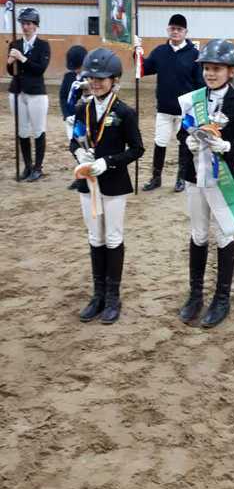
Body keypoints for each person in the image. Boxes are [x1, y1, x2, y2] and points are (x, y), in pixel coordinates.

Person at [177, 39, 234, 329]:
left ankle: (222, 298)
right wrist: (187, 141)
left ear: (231, 71)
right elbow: (182, 132)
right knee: (198, 234)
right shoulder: (193, 99)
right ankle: (195, 294)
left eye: (217, 69)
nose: (210, 73)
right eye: (207, 68)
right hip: (194, 176)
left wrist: (227, 147)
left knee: (224, 235)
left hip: (223, 179)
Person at [70, 48, 144, 324]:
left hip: (113, 183)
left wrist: (109, 162)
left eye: (101, 78)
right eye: (92, 78)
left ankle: (113, 296)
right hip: (87, 181)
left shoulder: (124, 112)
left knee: (112, 237)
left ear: (114, 80)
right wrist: (79, 153)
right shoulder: (83, 108)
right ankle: (98, 294)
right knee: (94, 237)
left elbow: (137, 149)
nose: (96, 83)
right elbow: (74, 139)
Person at [139, 14, 203, 193]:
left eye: (179, 29)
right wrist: (137, 53)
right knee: (160, 142)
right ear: (168, 30)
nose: (175, 32)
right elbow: (144, 69)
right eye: (172, 28)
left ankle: (181, 178)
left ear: (185, 32)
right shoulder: (160, 51)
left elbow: (199, 83)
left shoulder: (195, 55)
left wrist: (198, 107)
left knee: (184, 144)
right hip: (164, 108)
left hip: (185, 111)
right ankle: (156, 177)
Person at [7, 7, 50, 182]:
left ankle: (38, 167)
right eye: (23, 23)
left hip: (36, 93)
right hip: (17, 91)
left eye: (29, 24)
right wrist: (10, 62)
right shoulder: (15, 45)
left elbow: (40, 69)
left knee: (38, 129)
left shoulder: (43, 46)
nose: (25, 27)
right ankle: (27, 166)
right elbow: (11, 71)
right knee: (22, 130)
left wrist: (22, 58)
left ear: (35, 25)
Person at [59, 44, 88, 190]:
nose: (76, 70)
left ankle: (86, 174)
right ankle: (82, 171)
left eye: (78, 67)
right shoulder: (68, 77)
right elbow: (63, 97)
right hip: (71, 119)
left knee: (86, 146)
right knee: (74, 147)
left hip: (84, 119)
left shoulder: (90, 77)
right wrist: (66, 115)